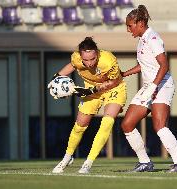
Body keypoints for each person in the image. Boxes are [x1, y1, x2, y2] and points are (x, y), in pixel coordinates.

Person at [120, 5, 177, 172]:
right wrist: (124, 73)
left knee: (159, 126)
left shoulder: (153, 39)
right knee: (127, 124)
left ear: (140, 23)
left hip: (162, 85)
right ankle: (145, 162)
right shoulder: (142, 39)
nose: (128, 29)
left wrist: (154, 86)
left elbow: (164, 65)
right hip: (149, 86)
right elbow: (144, 65)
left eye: (130, 25)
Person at [48, 37, 127, 174]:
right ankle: (67, 157)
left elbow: (114, 82)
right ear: (80, 56)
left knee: (107, 122)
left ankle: (88, 163)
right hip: (91, 89)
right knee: (80, 126)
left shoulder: (108, 60)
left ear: (97, 53)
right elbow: (72, 66)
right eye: (86, 60)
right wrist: (56, 77)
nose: (89, 63)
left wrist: (92, 90)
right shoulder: (76, 58)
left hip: (114, 89)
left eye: (93, 59)